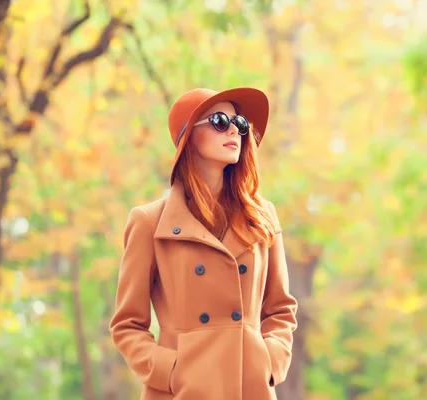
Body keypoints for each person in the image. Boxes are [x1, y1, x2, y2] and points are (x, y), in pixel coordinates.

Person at [109, 87, 298, 400]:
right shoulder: (149, 222)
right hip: (182, 392)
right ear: (189, 137)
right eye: (220, 121)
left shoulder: (262, 216)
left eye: (240, 123)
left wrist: (270, 361)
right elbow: (127, 325)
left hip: (249, 388)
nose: (235, 130)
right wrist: (170, 371)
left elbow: (281, 309)